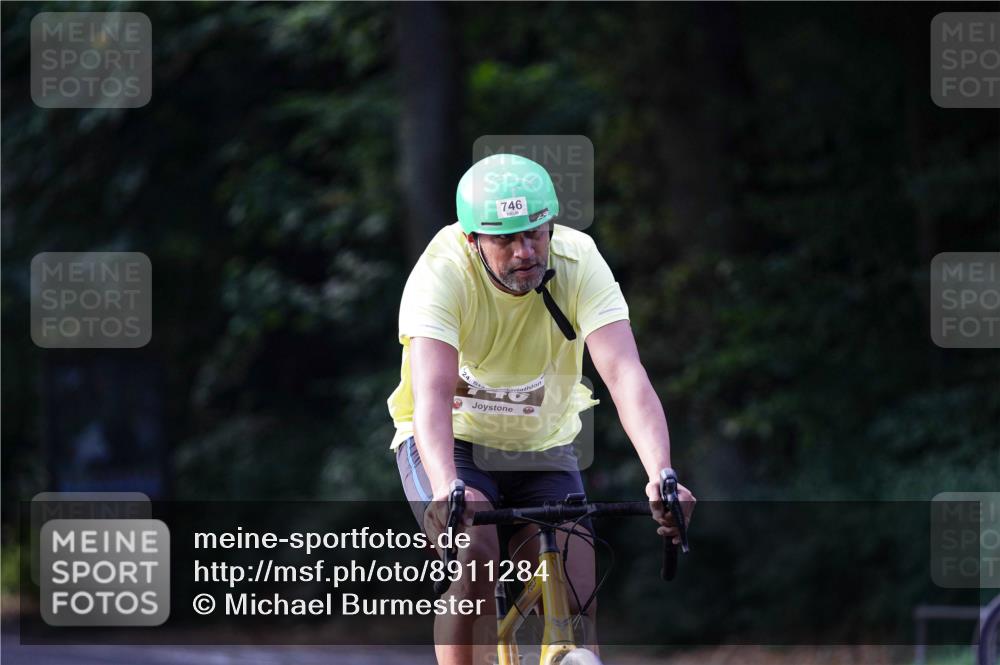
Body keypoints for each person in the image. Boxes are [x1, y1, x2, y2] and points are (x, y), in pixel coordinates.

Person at [387, 153, 695, 664]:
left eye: (534, 233)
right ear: (473, 241)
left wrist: (661, 474)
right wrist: (447, 487)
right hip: (452, 443)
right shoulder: (441, 273)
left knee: (576, 602)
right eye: (505, 239)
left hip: (540, 445)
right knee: (474, 560)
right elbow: (433, 395)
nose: (524, 251)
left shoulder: (580, 261)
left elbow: (624, 374)